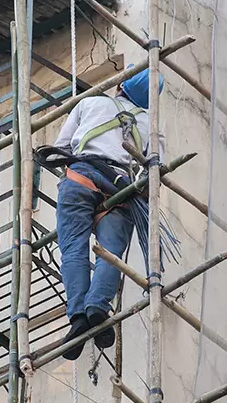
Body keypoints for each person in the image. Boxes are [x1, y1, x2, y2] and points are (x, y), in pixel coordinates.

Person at [49, 68, 164, 359]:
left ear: (120, 87)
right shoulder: (150, 123)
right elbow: (154, 173)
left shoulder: (89, 103)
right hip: (119, 188)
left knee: (73, 248)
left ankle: (77, 315)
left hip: (81, 177)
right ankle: (97, 308)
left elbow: (60, 149)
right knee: (111, 251)